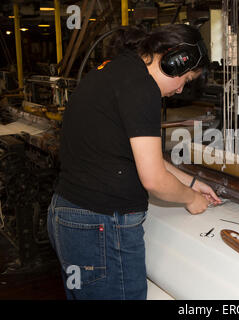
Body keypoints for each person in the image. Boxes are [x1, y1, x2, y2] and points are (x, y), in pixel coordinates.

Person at [47, 24, 221, 300]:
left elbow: (132, 152)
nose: (179, 90)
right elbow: (153, 180)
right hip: (100, 227)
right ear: (173, 62)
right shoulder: (142, 88)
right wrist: (190, 198)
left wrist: (191, 181)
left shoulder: (117, 71)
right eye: (185, 80)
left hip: (72, 220)